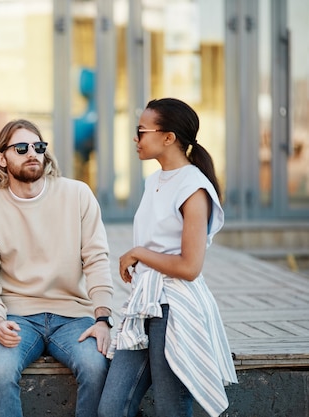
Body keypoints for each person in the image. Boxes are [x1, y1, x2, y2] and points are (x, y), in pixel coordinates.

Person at [98, 98, 238, 417]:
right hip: (145, 303)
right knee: (111, 408)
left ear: (168, 137)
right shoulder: (154, 181)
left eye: (141, 131)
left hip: (175, 308)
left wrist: (138, 253)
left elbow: (190, 267)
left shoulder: (194, 188)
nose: (135, 138)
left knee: (170, 409)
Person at [0, 119, 114, 417]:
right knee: (1, 369)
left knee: (96, 365)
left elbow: (97, 259)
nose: (32, 153)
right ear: (2, 158)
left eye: (38, 147)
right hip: (17, 317)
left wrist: (103, 319)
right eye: (21, 148)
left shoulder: (78, 195)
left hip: (73, 314)